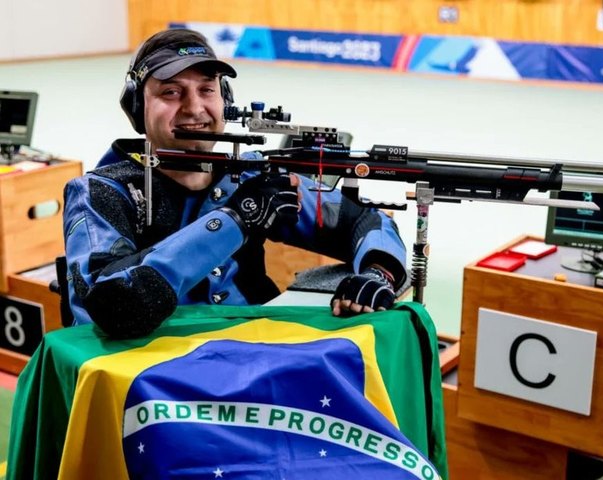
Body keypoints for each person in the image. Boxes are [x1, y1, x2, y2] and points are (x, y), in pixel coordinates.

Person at [61, 28, 407, 338]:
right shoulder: (102, 193)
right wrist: (235, 220)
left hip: (255, 351)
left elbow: (365, 221)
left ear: (224, 101)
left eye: (206, 90)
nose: (194, 108)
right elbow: (112, 306)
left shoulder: (250, 175)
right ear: (137, 106)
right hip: (155, 377)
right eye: (171, 92)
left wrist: (379, 273)